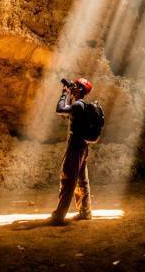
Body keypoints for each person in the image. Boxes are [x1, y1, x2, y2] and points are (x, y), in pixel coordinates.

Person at [50, 77, 94, 224]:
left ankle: (59, 215)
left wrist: (64, 94)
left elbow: (60, 109)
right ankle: (85, 212)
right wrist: (69, 94)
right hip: (82, 146)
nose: (72, 87)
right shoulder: (81, 105)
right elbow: (68, 109)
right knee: (82, 180)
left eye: (75, 86)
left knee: (68, 179)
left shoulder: (78, 106)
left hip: (75, 146)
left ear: (80, 90)